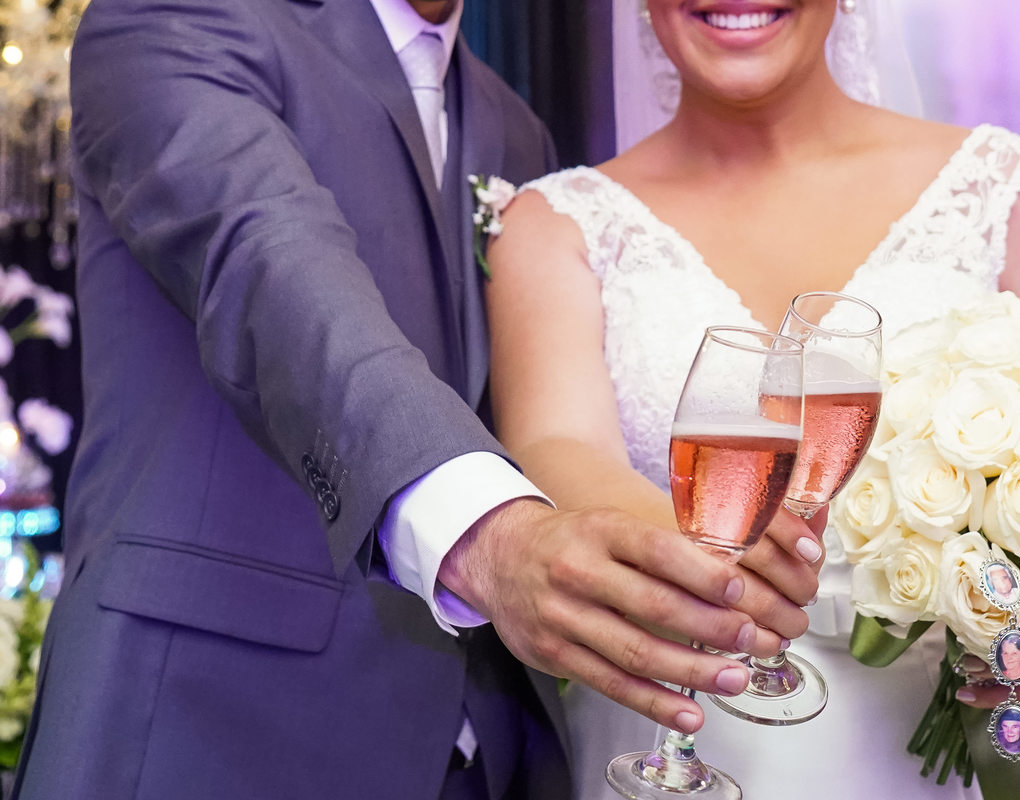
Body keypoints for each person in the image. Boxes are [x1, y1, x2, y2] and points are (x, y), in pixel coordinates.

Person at [11, 1, 817, 798]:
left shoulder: (512, 128)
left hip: (493, 751)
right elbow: (270, 267)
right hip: (208, 729)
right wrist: (491, 540)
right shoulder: (175, 19)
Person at [484, 0, 1020, 797]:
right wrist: (713, 561)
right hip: (694, 733)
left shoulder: (1001, 186)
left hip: (966, 734)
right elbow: (558, 447)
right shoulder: (556, 224)